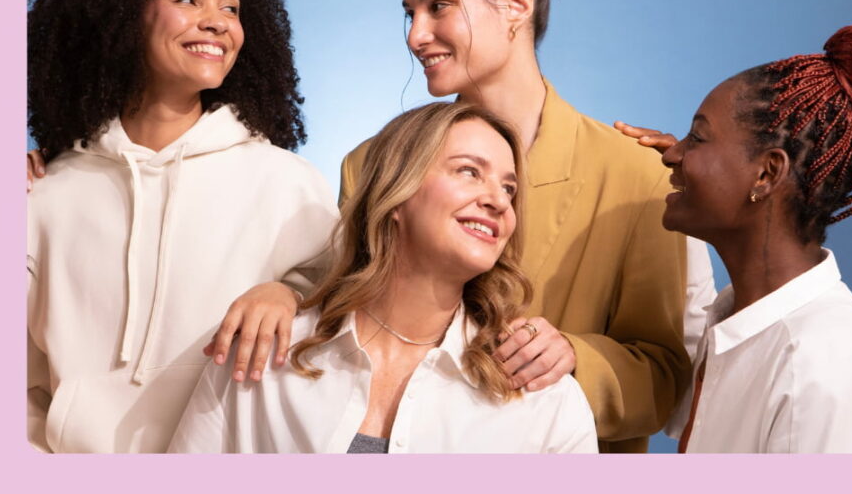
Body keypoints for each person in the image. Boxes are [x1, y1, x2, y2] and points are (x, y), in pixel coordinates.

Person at [338, 0, 714, 453]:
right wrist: (284, 295)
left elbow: (668, 380)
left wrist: (575, 359)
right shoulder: (370, 167)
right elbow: (338, 324)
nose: (416, 35)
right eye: (409, 12)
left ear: (516, 4)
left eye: (438, 6)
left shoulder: (635, 177)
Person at [26, 0, 338, 452]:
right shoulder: (48, 193)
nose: (216, 22)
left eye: (232, 8)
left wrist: (290, 293)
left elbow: (349, 321)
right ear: (125, 14)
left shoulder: (288, 184)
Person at [169, 102, 597, 453]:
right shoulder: (263, 354)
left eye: (509, 189)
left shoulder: (544, 399)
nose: (498, 201)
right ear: (397, 192)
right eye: (469, 171)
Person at [619, 25, 852, 452]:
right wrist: (670, 196)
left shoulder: (820, 361)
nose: (673, 152)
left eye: (697, 137)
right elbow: (686, 400)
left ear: (767, 173)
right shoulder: (745, 318)